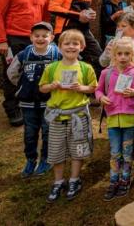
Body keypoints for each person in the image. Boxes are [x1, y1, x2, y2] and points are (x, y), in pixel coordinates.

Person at [38, 30, 98, 202]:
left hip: (77, 115)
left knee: (77, 148)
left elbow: (93, 88)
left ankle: (74, 179)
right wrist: (52, 86)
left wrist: (82, 88)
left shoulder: (86, 68)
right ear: (59, 46)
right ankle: (58, 181)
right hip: (57, 116)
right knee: (56, 149)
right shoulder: (52, 68)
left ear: (82, 47)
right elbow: (42, 87)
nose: (71, 47)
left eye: (75, 44)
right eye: (67, 43)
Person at [0, 0, 52, 126]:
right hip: (13, 38)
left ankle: (33, 105)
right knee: (12, 73)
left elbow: (46, 17)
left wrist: (47, 36)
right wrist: (1, 41)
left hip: (36, 39)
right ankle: (12, 109)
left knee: (36, 72)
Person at [7, 21, 61, 177]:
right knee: (30, 133)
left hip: (50, 102)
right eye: (37, 36)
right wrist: (24, 86)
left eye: (45, 35)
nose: (40, 38)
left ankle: (46, 159)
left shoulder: (57, 54)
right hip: (28, 102)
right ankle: (30, 160)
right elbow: (12, 73)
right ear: (31, 37)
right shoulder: (24, 54)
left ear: (51, 37)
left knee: (48, 131)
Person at [96, 37, 134, 201]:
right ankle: (113, 180)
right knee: (115, 152)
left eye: (126, 54)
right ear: (113, 55)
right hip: (112, 118)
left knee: (127, 151)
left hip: (130, 118)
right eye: (119, 54)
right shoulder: (106, 73)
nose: (123, 57)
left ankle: (125, 179)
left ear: (132, 55)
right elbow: (98, 91)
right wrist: (101, 98)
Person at [49, 0, 103, 77]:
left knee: (98, 56)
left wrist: (90, 14)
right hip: (65, 30)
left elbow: (83, 12)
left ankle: (91, 89)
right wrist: (78, 16)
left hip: (84, 30)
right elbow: (52, 7)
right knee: (68, 60)